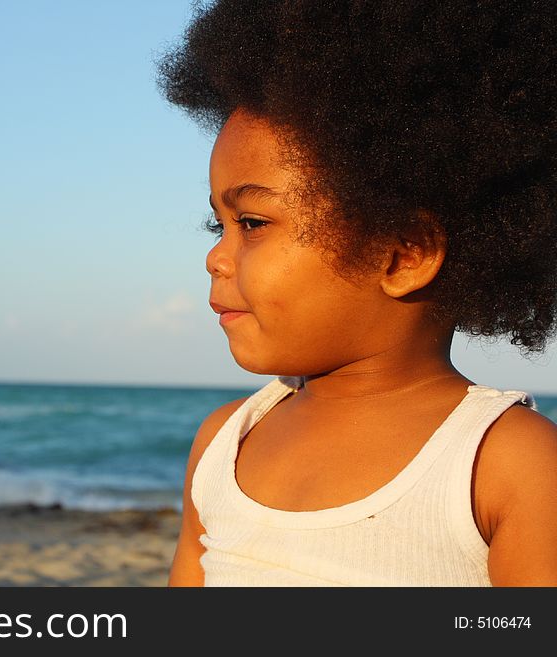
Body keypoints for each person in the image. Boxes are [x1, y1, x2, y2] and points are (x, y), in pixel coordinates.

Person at [157, 0, 557, 586]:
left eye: (252, 223)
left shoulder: (505, 461)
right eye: (215, 225)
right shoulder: (225, 442)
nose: (216, 257)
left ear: (403, 253)